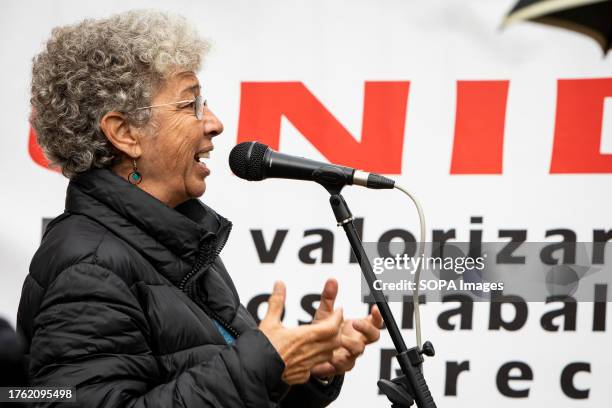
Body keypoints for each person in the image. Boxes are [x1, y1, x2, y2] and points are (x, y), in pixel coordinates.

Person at [17, 10, 383, 407]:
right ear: (124, 133)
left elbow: (232, 388)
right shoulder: (87, 266)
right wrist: (260, 364)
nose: (214, 123)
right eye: (190, 105)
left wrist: (303, 367)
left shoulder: (177, 242)